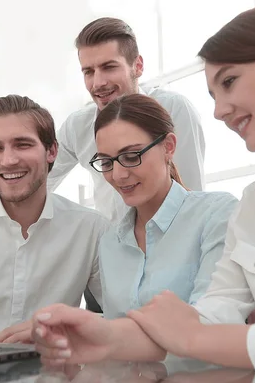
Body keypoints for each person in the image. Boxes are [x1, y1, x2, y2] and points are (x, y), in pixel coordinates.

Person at [29, 6, 255, 382]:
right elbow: (214, 312)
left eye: (229, 82)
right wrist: (103, 336)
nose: (217, 111)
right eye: (212, 93)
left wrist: (195, 340)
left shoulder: (220, 212)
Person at [0, 17, 205, 223]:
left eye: (109, 67)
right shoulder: (78, 126)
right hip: (116, 251)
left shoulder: (174, 109)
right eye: (88, 71)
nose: (98, 83)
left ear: (137, 66)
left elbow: (192, 194)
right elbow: (37, 181)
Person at [0, 94, 108, 343]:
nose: (8, 160)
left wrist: (71, 326)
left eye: (22, 144)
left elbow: (126, 316)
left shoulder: (91, 230)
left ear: (51, 151)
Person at [90, 94, 237, 319]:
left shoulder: (216, 215)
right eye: (107, 163)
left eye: (131, 156)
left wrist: (107, 334)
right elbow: (115, 331)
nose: (118, 175)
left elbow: (211, 323)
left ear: (168, 147)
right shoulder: (111, 243)